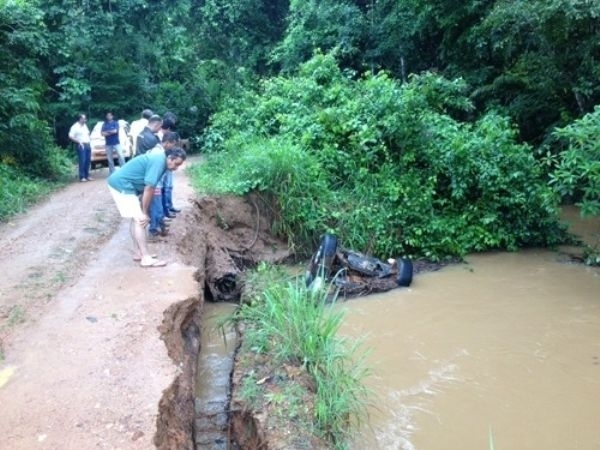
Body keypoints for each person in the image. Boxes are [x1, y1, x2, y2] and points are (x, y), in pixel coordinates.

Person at [107, 147, 187, 267]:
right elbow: (149, 188)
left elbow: (151, 188)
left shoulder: (161, 161)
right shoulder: (159, 162)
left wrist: (144, 208)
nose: (176, 168)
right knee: (140, 220)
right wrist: (145, 212)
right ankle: (145, 258)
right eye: (176, 164)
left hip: (125, 185)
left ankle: (138, 252)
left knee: (136, 218)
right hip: (122, 185)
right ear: (170, 158)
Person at [147, 131, 181, 239]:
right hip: (154, 184)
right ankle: (153, 231)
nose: (173, 147)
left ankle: (159, 228)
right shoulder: (157, 153)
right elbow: (153, 172)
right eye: (173, 144)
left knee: (158, 208)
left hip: (157, 184)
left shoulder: (161, 151)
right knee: (156, 208)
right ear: (167, 142)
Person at [68, 113, 93, 182]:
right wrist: (78, 141)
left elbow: (88, 133)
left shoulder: (85, 126)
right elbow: (70, 136)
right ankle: (82, 176)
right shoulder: (75, 127)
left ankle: (87, 175)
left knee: (88, 160)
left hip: (87, 144)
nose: (85, 120)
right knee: (82, 160)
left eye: (85, 118)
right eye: (84, 118)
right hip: (81, 145)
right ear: (80, 119)